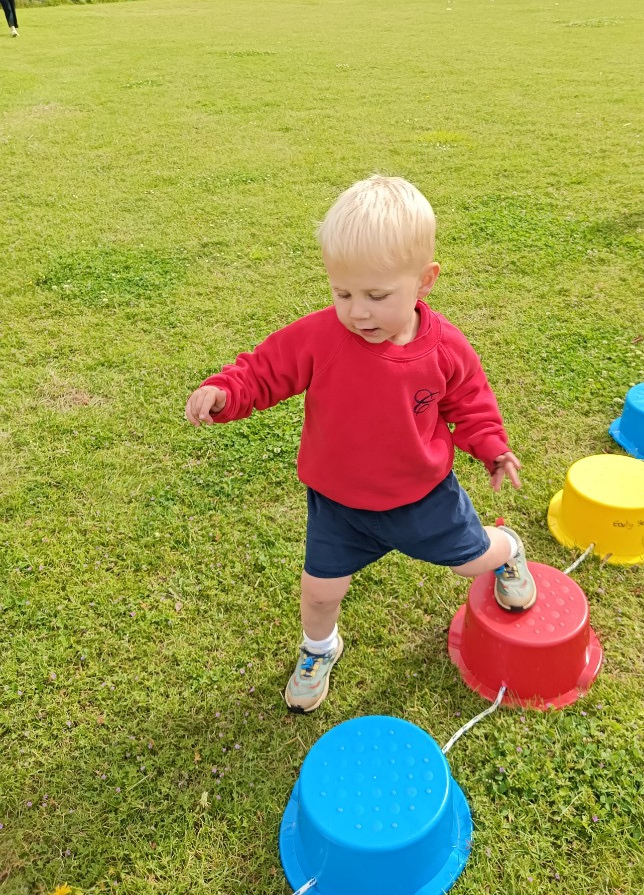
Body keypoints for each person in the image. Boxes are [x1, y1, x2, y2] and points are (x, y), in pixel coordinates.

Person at [185, 176, 536, 714]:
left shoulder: (444, 349)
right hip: (339, 503)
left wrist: (490, 445)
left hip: (423, 497)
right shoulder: (322, 337)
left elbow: (469, 402)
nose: (358, 312)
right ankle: (318, 648)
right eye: (342, 293)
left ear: (424, 281)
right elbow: (265, 370)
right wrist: (225, 392)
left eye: (376, 295)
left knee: (471, 563)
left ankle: (508, 550)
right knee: (321, 590)